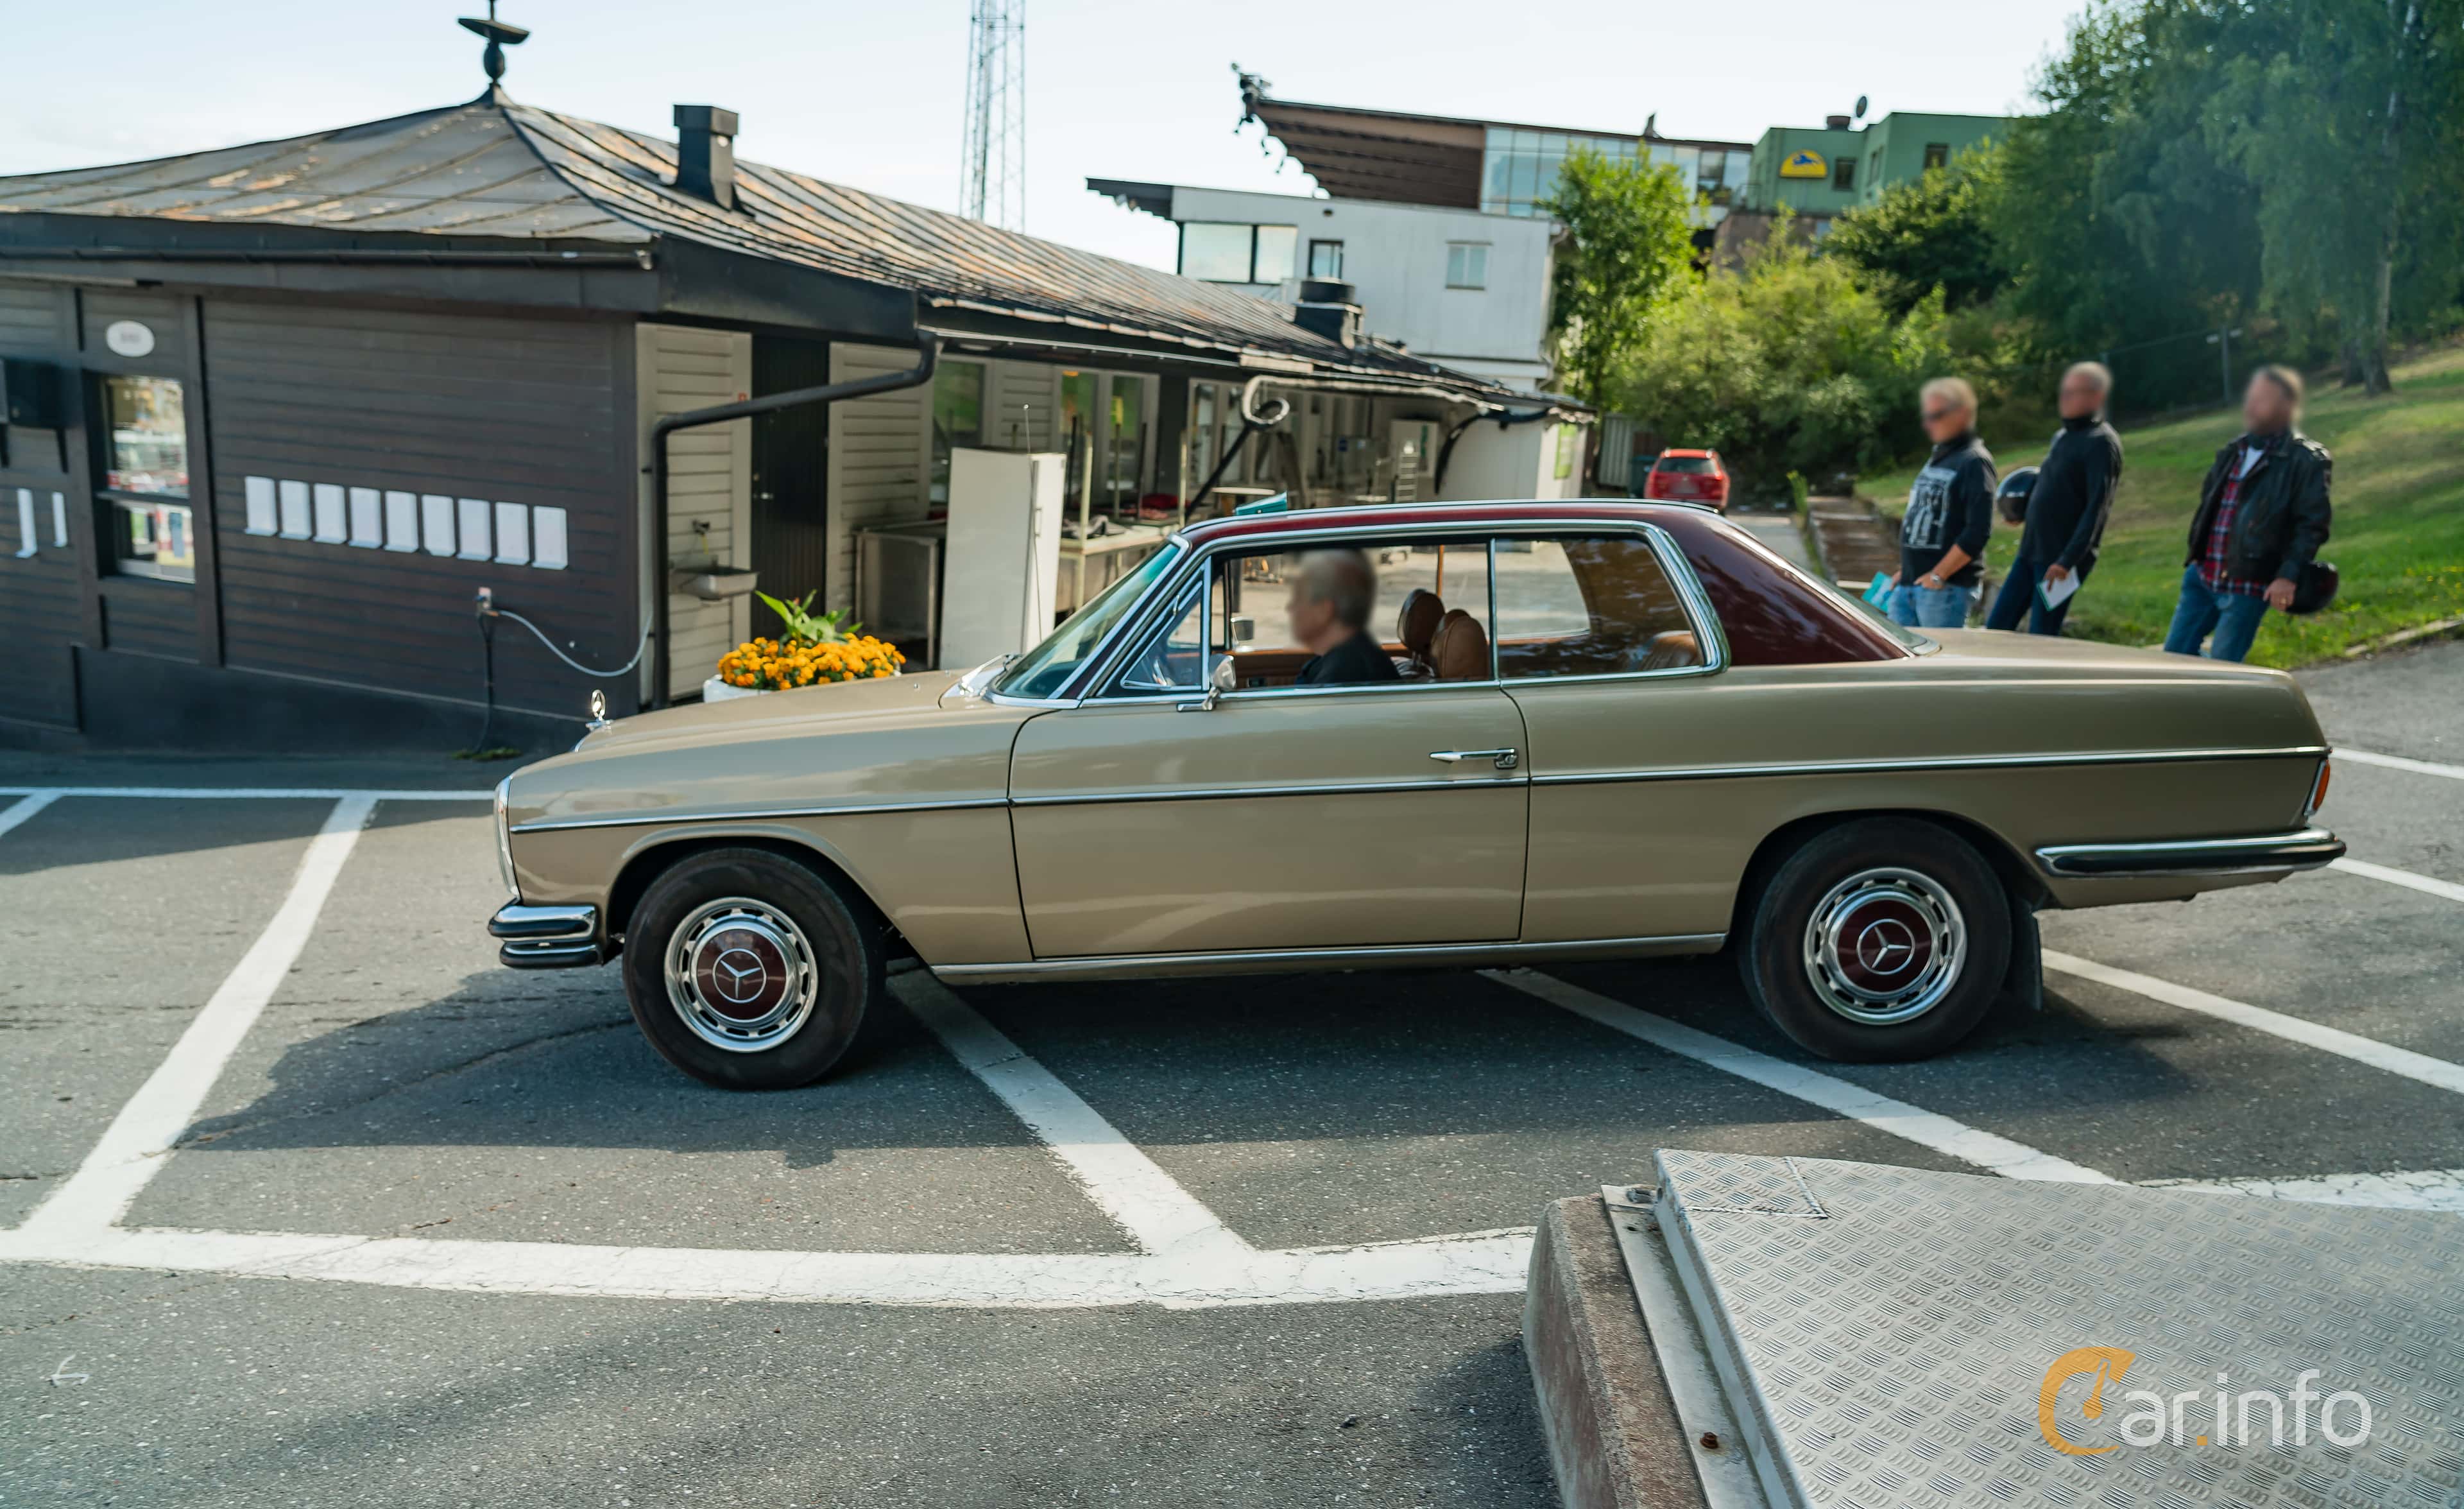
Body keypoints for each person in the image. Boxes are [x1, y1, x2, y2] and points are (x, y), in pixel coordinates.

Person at [2162, 366, 2332, 662]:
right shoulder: (2232, 451)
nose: (2252, 406)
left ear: (2287, 406)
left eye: (2263, 399)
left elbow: (2312, 525)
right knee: (2174, 658)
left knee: (2224, 669)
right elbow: (2210, 507)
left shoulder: (2306, 460)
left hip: (2248, 584)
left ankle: (2235, 702)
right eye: (2251, 397)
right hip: (2203, 576)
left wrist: (2288, 576)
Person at [1987, 362, 2124, 635]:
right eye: (2065, 391)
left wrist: (2067, 560)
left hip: (2059, 562)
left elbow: (2097, 509)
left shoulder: (2102, 443)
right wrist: (2020, 511)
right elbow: (2056, 487)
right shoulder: (2062, 437)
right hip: (2030, 552)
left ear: (2096, 397)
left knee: (2042, 635)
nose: (2065, 397)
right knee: (1996, 628)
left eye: (2075, 392)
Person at [1891, 377, 1996, 630]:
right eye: (1926, 416)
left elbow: (1978, 530)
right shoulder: (1939, 457)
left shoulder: (1975, 462)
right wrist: (1905, 572)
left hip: (1944, 589)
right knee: (1899, 667)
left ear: (1962, 414)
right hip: (1911, 585)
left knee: (1936, 668)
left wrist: (1939, 575)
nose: (1928, 424)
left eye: (1936, 416)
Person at [1287, 548, 1400, 686]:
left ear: (1324, 610)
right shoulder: (1346, 657)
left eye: (1299, 597)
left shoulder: (1345, 675)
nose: (1290, 607)